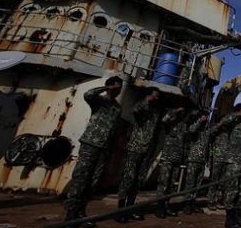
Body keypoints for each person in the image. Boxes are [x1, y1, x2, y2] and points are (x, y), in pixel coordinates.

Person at [64, 76, 123, 226]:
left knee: (93, 181)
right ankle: (71, 213)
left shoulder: (117, 107)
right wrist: (107, 88)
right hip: (91, 143)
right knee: (81, 178)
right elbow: (88, 94)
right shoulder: (98, 100)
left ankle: (81, 211)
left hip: (105, 148)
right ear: (110, 87)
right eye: (117, 87)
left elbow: (114, 129)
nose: (119, 90)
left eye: (120, 87)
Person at [115, 87, 161, 223]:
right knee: (128, 179)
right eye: (154, 96)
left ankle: (129, 209)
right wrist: (147, 100)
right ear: (148, 95)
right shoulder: (142, 108)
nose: (156, 98)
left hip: (146, 151)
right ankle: (120, 211)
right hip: (135, 148)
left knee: (137, 181)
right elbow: (136, 110)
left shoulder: (154, 113)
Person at [216, 103, 241, 228]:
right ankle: (229, 218)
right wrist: (237, 114)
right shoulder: (232, 123)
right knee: (232, 190)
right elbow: (224, 120)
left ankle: (236, 216)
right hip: (233, 162)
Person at [155, 105, 187, 218]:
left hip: (177, 159)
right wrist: (174, 110)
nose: (182, 113)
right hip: (168, 157)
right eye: (181, 111)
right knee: (163, 183)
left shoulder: (183, 125)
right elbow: (163, 120)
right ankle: (159, 208)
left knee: (171, 185)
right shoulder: (170, 123)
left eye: (183, 112)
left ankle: (166, 206)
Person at [183, 109, 209, 214]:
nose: (207, 118)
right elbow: (191, 130)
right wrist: (199, 120)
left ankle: (193, 204)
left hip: (202, 161)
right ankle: (187, 205)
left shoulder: (206, 131)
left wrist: (207, 158)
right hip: (193, 159)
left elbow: (208, 146)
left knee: (197, 184)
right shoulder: (195, 127)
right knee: (190, 183)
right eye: (205, 116)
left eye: (207, 116)